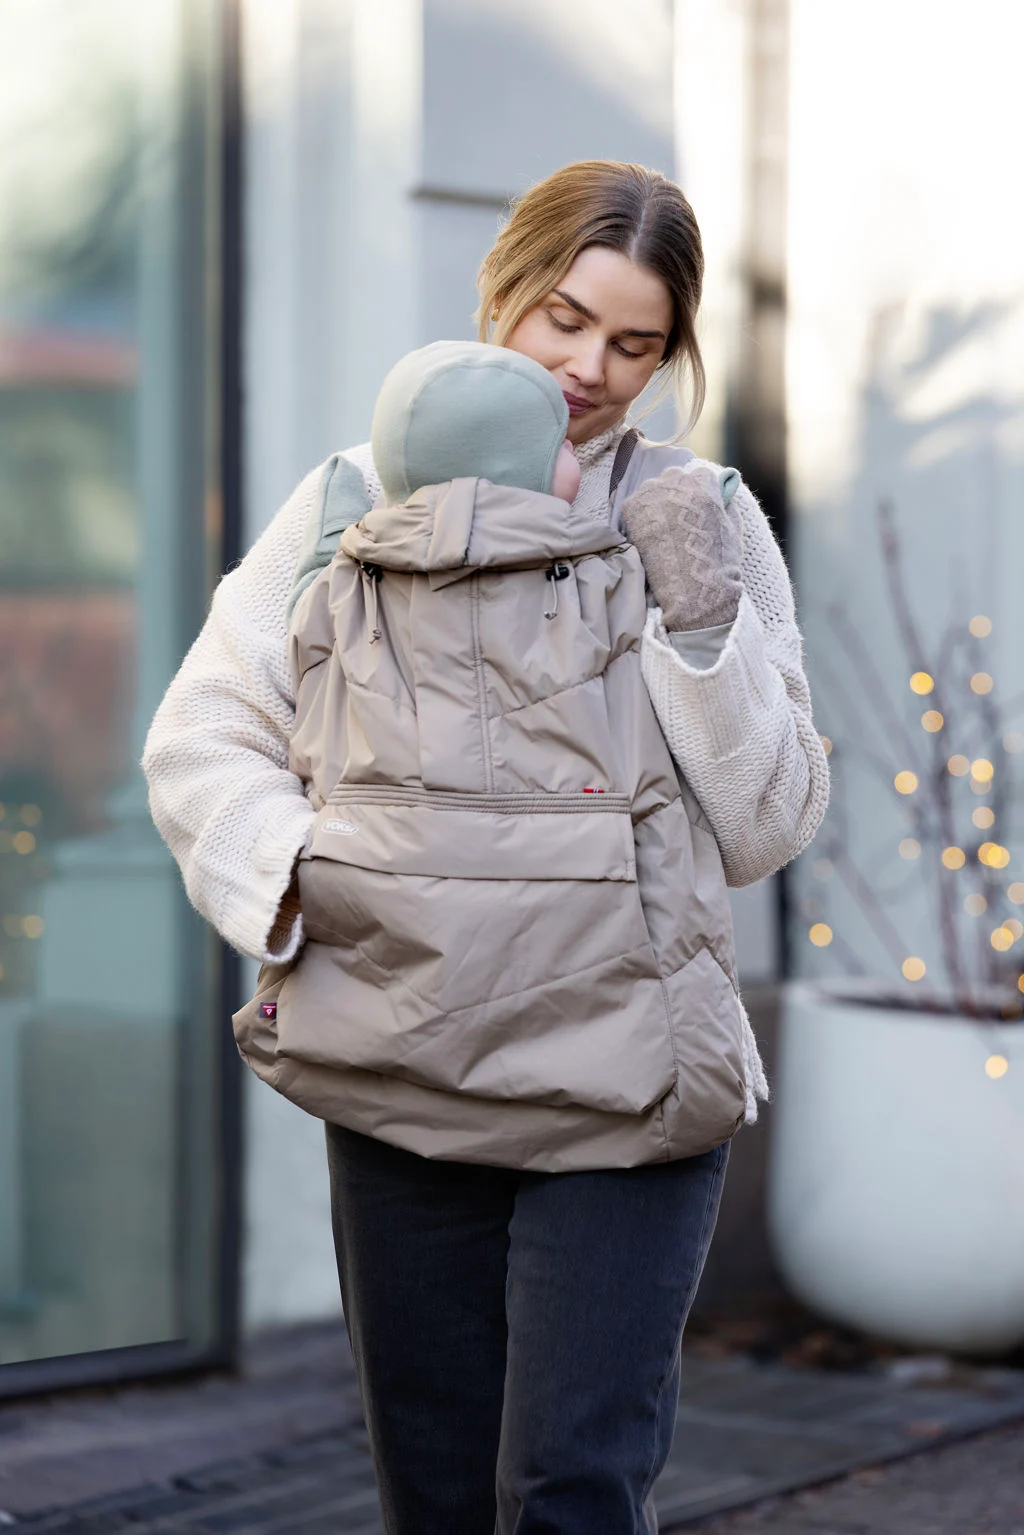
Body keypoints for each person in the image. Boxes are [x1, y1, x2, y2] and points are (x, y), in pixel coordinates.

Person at [142, 160, 830, 1535]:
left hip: (629, 1076)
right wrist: (317, 879)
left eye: (636, 343)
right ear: (502, 291)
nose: (590, 367)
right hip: (408, 1053)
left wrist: (698, 624)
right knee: (436, 1492)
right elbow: (203, 736)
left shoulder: (697, 513)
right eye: (564, 319)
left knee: (572, 1488)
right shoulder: (347, 502)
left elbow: (770, 823)